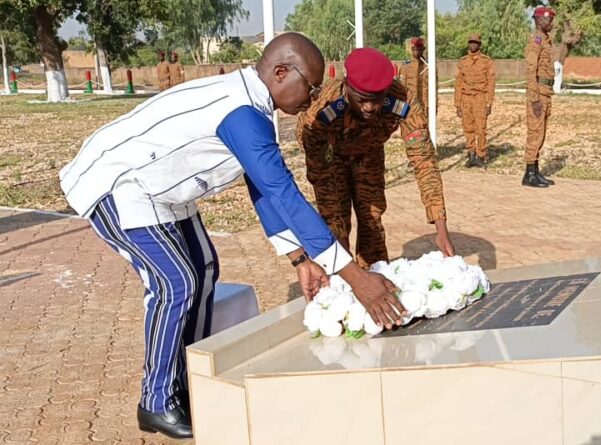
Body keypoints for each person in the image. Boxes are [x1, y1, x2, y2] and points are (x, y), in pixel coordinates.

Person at [58, 33, 406, 440]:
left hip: (164, 191)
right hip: (118, 185)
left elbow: (260, 184)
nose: (312, 98)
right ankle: (155, 402)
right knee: (176, 283)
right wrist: (356, 278)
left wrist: (299, 258)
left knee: (205, 270)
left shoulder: (254, 108)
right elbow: (283, 192)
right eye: (310, 87)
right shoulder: (240, 110)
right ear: (280, 72)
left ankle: (186, 385)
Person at [296, 47, 455, 268]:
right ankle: (339, 279)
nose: (369, 108)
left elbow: (424, 160)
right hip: (330, 155)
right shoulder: (323, 109)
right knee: (335, 222)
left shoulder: (403, 101)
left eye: (376, 99)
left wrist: (440, 227)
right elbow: (320, 171)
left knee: (372, 218)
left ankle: (377, 275)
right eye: (362, 100)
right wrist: (343, 258)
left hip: (370, 154)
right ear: (348, 86)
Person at [523, 6, 557, 188]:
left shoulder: (546, 41)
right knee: (535, 133)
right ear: (538, 20)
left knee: (541, 134)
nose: (551, 22)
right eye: (548, 19)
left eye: (551, 19)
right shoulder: (536, 41)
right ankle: (529, 174)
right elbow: (530, 71)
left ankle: (535, 171)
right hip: (538, 94)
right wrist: (534, 99)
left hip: (546, 92)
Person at [454, 33, 496, 168]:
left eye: (476, 43)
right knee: (468, 128)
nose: (473, 45)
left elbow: (491, 83)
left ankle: (481, 155)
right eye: (471, 42)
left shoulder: (487, 61)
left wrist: (489, 102)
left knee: (481, 128)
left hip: (480, 98)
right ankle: (471, 154)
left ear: (479, 45)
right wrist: (457, 104)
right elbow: (458, 83)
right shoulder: (462, 61)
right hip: (466, 98)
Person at [397, 37, 435, 121]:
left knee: (425, 131)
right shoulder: (405, 67)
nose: (416, 51)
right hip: (409, 107)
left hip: (425, 106)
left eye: (419, 49)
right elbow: (400, 90)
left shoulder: (429, 67)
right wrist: (400, 111)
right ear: (411, 49)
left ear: (423, 49)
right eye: (414, 49)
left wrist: (434, 107)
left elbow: (434, 89)